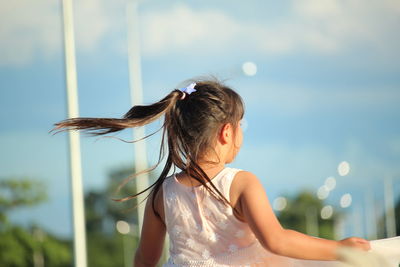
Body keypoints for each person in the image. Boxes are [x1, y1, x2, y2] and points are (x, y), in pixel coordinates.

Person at [52, 79, 370, 266]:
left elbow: (145, 260)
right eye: (241, 125)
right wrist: (340, 249)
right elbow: (277, 241)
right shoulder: (242, 183)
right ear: (226, 133)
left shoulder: (161, 193)